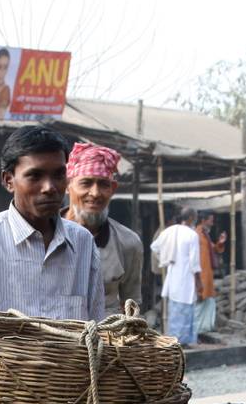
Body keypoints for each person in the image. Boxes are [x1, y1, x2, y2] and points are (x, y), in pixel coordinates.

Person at [0, 125, 104, 320]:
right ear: (8, 180)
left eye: (59, 175)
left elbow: (96, 332)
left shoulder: (83, 243)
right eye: (35, 176)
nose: (49, 187)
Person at [64, 141, 142, 315]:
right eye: (86, 183)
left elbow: (131, 305)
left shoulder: (128, 243)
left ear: (113, 189)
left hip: (105, 338)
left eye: (103, 185)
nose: (95, 193)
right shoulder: (44, 235)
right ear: (68, 186)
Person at [152, 207, 201, 344]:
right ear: (191, 217)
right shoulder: (192, 235)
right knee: (185, 310)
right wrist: (199, 281)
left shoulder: (169, 231)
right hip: (186, 278)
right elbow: (194, 263)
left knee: (175, 309)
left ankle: (175, 339)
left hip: (173, 276)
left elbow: (154, 247)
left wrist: (165, 260)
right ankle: (183, 341)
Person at [194, 213, 220, 333]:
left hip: (207, 272)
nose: (212, 223)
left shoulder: (205, 235)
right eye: (210, 220)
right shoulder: (197, 235)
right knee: (200, 300)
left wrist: (220, 242)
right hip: (201, 273)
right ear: (203, 220)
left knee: (207, 299)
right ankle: (196, 329)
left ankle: (203, 328)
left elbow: (213, 248)